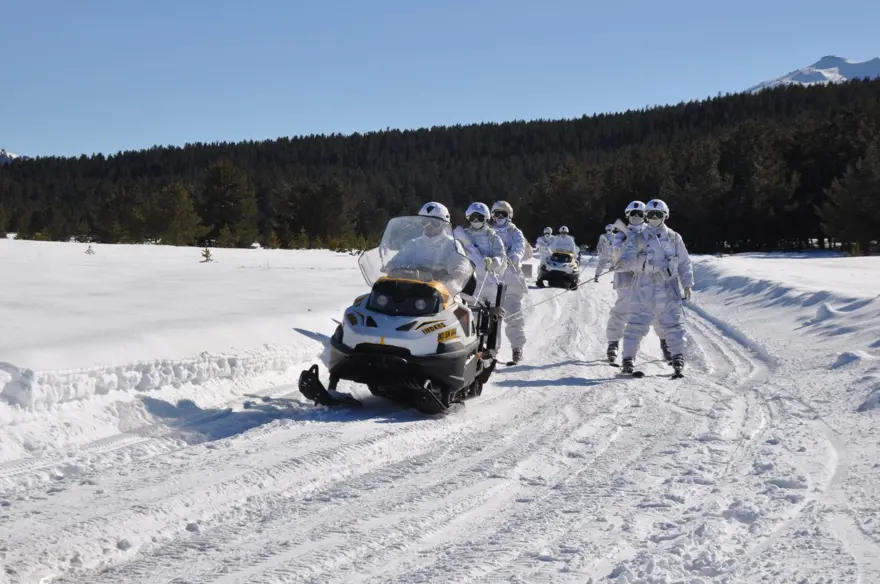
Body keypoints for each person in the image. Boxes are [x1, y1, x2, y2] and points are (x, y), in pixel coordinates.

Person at [617, 198, 694, 375]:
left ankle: (677, 357)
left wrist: (687, 283)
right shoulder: (637, 238)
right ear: (646, 216)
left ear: (665, 216)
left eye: (658, 214)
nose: (654, 218)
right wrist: (631, 262)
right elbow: (627, 260)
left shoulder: (674, 238)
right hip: (643, 286)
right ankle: (628, 359)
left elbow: (684, 262)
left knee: (673, 323)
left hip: (667, 287)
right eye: (650, 214)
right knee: (636, 322)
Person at [384, 202, 473, 296]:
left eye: (435, 223)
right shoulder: (414, 244)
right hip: (413, 291)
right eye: (425, 222)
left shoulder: (452, 245)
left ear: (444, 224)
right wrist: (391, 266)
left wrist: (448, 275)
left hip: (444, 293)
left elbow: (461, 267)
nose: (428, 225)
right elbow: (398, 260)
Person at [489, 200, 528, 363]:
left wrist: (515, 257)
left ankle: (517, 348)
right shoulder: (487, 231)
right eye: (496, 214)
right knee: (489, 316)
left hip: (510, 277)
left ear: (509, 216)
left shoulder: (514, 232)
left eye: (502, 214)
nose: (499, 217)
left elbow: (520, 247)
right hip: (491, 277)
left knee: (514, 315)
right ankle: (489, 349)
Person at [454, 202, 507, 305]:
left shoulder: (494, 238)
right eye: (472, 217)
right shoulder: (461, 236)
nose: (476, 220)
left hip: (487, 290)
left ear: (486, 219)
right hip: (465, 289)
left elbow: (502, 259)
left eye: (479, 217)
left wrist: (493, 262)